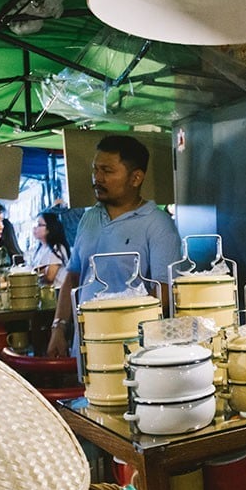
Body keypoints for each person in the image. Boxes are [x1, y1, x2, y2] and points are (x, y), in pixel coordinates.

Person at [46, 135, 181, 357]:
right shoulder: (89, 218)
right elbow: (73, 277)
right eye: (95, 170)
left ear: (136, 178)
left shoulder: (157, 224)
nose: (97, 178)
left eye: (107, 171)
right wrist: (58, 328)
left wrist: (116, 328)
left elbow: (164, 293)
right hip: (86, 344)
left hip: (132, 349)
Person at [29, 210, 71, 288]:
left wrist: (35, 272)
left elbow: (50, 277)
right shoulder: (39, 249)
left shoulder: (57, 248)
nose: (35, 227)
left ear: (49, 229)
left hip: (57, 293)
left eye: (39, 225)